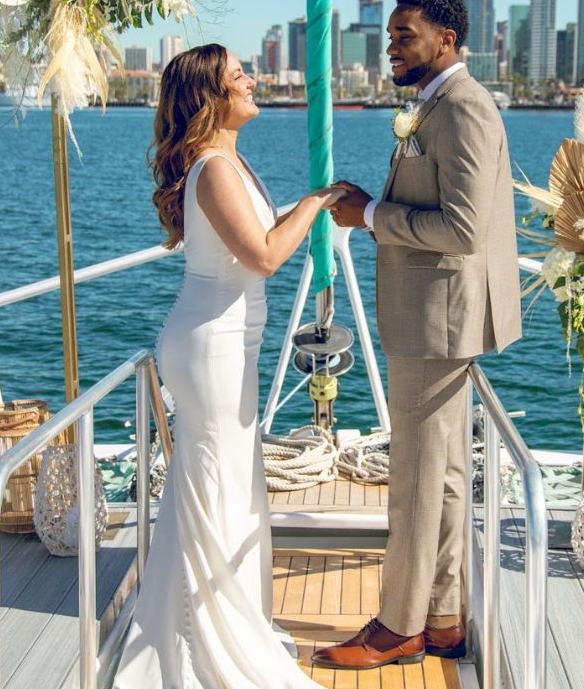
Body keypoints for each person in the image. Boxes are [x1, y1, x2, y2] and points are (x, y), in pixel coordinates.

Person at [113, 44, 341, 689]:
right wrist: (317, 201)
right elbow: (263, 257)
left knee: (228, 483)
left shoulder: (227, 161)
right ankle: (202, 635)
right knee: (216, 484)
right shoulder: (213, 168)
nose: (252, 81)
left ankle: (227, 615)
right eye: (239, 76)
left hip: (228, 343)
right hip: (210, 345)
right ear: (211, 96)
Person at [312, 0, 522, 670]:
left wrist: (370, 216)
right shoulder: (432, 106)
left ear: (447, 42)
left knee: (415, 479)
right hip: (434, 319)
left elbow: (461, 229)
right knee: (448, 474)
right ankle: (442, 615)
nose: (392, 46)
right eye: (392, 36)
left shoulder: (463, 109)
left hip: (437, 323)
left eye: (405, 35)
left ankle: (396, 626)